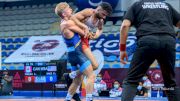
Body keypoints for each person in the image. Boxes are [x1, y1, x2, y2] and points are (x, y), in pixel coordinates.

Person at [119, 0, 180, 101]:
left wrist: (122, 50)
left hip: (147, 41)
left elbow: (125, 26)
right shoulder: (166, 5)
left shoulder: (137, 5)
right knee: (170, 82)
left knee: (131, 81)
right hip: (168, 41)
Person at [55, 2, 95, 101]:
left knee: (77, 81)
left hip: (72, 53)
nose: (71, 10)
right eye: (69, 9)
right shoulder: (68, 23)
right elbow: (84, 34)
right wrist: (86, 27)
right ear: (64, 14)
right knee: (91, 75)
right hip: (77, 53)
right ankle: (89, 99)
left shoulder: (64, 22)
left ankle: (67, 99)